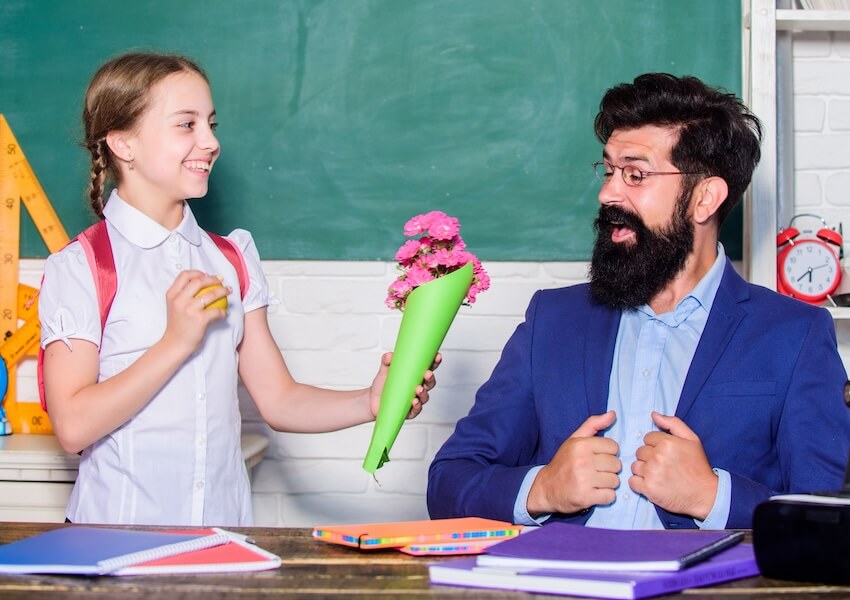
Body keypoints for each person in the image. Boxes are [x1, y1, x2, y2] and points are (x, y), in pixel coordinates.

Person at [427, 73, 850, 530]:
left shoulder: (795, 334)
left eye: (636, 174)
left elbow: (829, 517)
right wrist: (542, 488)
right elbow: (449, 482)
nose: (608, 193)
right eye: (609, 170)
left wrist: (714, 496)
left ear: (704, 197)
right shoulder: (552, 321)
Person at [39, 52, 438, 527]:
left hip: (223, 540)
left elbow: (279, 400)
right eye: (186, 125)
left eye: (211, 123)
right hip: (114, 541)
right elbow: (73, 425)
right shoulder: (82, 266)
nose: (210, 142)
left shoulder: (231, 258)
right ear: (124, 143)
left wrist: (370, 402)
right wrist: (175, 342)